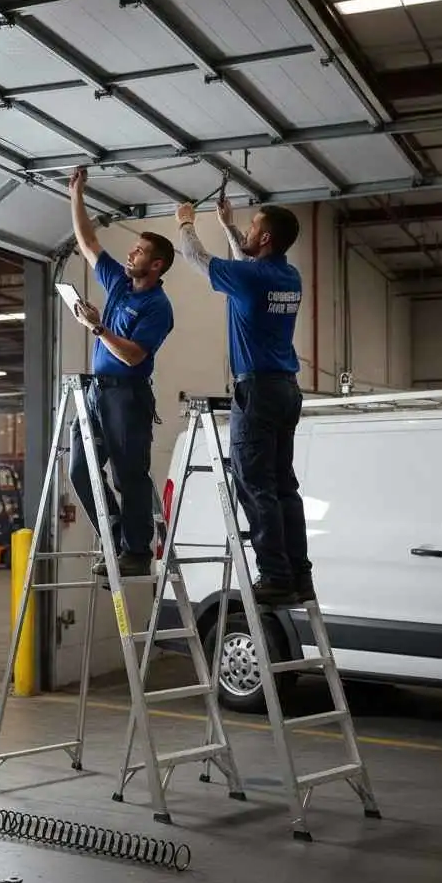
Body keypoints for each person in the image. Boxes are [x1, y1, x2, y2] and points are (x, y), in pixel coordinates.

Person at [175, 197, 314, 607]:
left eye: (254, 228)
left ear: (266, 237)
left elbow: (195, 257)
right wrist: (231, 227)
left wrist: (186, 223)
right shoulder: (289, 276)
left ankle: (274, 575)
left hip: (256, 391)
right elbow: (250, 262)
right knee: (283, 485)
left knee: (255, 486)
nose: (248, 233)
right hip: (286, 389)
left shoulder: (252, 279)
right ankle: (299, 574)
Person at [67, 166, 175, 578]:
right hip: (96, 392)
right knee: (81, 470)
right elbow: (88, 241)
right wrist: (77, 195)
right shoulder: (118, 283)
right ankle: (114, 537)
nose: (131, 254)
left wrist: (97, 327)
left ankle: (136, 551)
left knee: (129, 474)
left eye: (140, 251)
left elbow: (133, 356)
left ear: (157, 264)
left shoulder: (157, 308)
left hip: (126, 396)